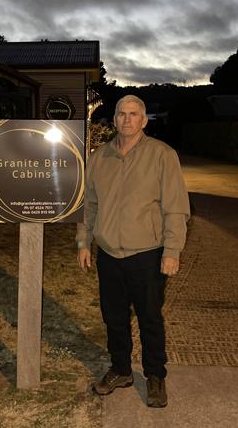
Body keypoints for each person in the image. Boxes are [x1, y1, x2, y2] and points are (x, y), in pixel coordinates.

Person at [76, 94, 190, 408]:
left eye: (134, 114)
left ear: (144, 120)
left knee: (150, 317)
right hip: (109, 254)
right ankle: (121, 369)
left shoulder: (162, 155)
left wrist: (172, 251)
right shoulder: (99, 157)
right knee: (113, 317)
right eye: (121, 114)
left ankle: (155, 376)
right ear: (114, 120)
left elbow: (176, 207)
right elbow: (90, 205)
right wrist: (84, 242)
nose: (127, 119)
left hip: (148, 255)